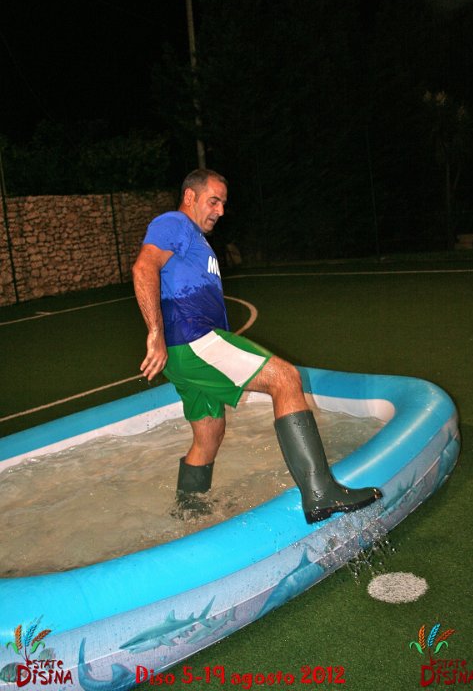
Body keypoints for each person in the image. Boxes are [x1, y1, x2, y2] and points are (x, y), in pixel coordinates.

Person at [132, 168, 382, 523]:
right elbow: (144, 268)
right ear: (189, 196)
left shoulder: (196, 240)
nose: (220, 210)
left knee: (209, 433)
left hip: (183, 352)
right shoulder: (174, 223)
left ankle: (188, 512)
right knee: (286, 378)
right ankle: (320, 494)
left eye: (223, 204)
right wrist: (155, 332)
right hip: (193, 339)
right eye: (213, 201)